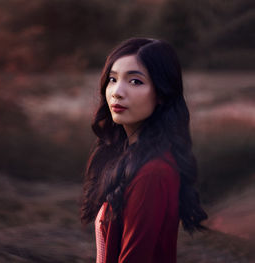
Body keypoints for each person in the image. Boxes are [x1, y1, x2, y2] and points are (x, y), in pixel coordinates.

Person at [80, 38, 208, 263]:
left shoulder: (153, 172)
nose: (117, 92)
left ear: (161, 94)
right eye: (113, 79)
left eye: (135, 81)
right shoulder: (129, 157)